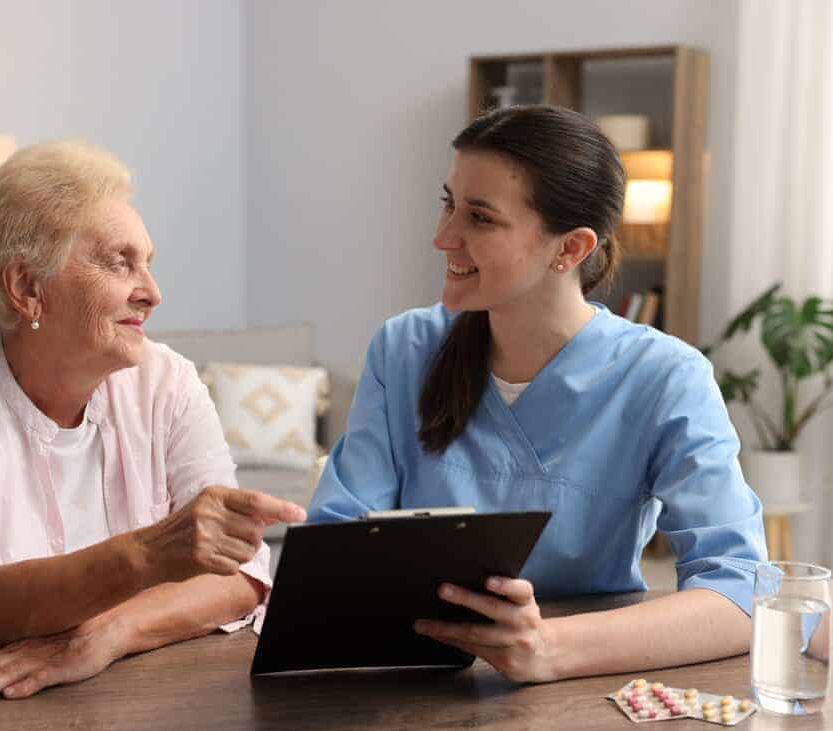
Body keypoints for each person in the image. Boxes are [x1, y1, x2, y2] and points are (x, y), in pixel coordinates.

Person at [307, 105, 767, 683]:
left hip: (592, 687)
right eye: (449, 202)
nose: (441, 237)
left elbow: (743, 592)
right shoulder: (404, 349)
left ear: (570, 249)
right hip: (411, 682)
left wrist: (550, 646)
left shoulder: (666, 377)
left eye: (479, 217)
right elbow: (335, 554)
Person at [0, 141, 305, 703]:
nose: (153, 292)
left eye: (148, 262)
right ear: (26, 288)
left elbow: (240, 575)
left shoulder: (167, 381)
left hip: (129, 700)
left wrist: (106, 634)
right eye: (120, 263)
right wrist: (151, 554)